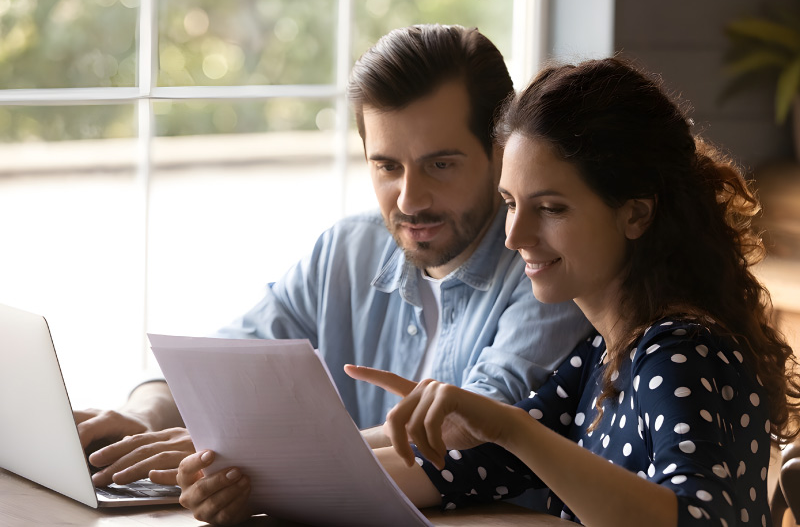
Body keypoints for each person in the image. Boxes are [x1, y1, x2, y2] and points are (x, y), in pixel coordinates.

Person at [176, 57, 800, 526]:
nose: (517, 234)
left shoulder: (683, 350)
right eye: (510, 203)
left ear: (635, 214)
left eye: (551, 208)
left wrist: (511, 429)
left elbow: (698, 521)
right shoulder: (606, 353)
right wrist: (249, 479)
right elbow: (459, 467)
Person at [74, 24, 590, 490]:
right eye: (387, 167)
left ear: (501, 153)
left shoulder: (544, 269)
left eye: (440, 164)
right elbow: (221, 366)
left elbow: (470, 429)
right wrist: (143, 417)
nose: (409, 199)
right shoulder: (348, 251)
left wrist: (249, 457)